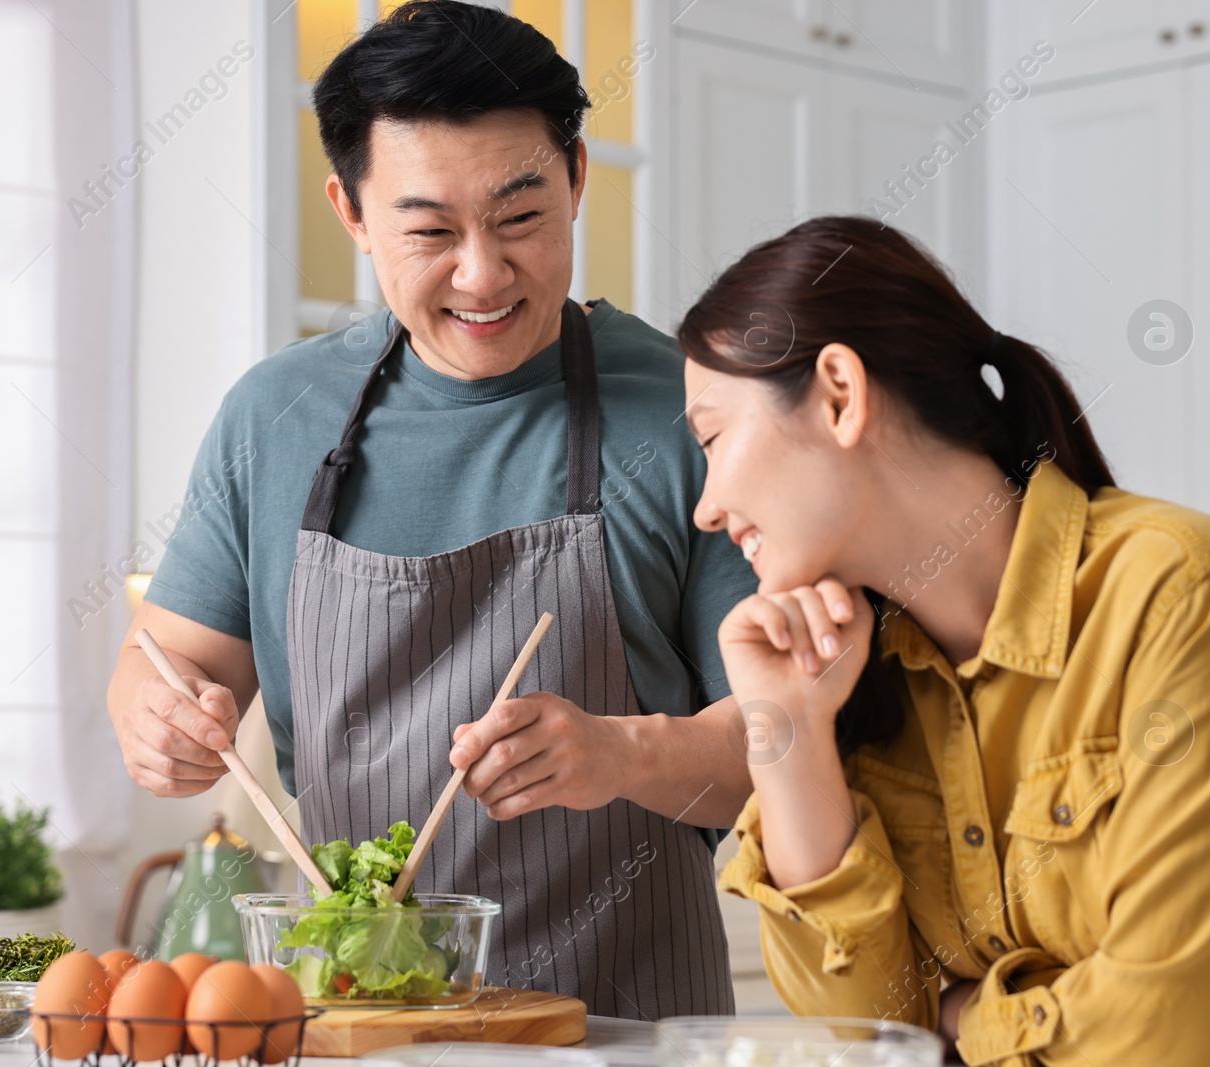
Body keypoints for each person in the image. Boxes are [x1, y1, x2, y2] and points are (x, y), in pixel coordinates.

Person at [105, 1, 753, 1018]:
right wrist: (157, 722)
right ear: (351, 212)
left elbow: (785, 751)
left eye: (521, 217)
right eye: (430, 231)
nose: (483, 273)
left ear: (576, 178)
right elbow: (163, 664)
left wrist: (624, 752)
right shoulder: (273, 418)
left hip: (628, 1029)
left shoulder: (692, 407)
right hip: (360, 1027)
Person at [680, 215, 1210, 1063]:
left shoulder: (1183, 592)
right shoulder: (856, 675)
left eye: (711, 436)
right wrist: (790, 731)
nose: (706, 507)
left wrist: (960, 1019)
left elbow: (1185, 1035)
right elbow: (856, 1036)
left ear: (839, 394)